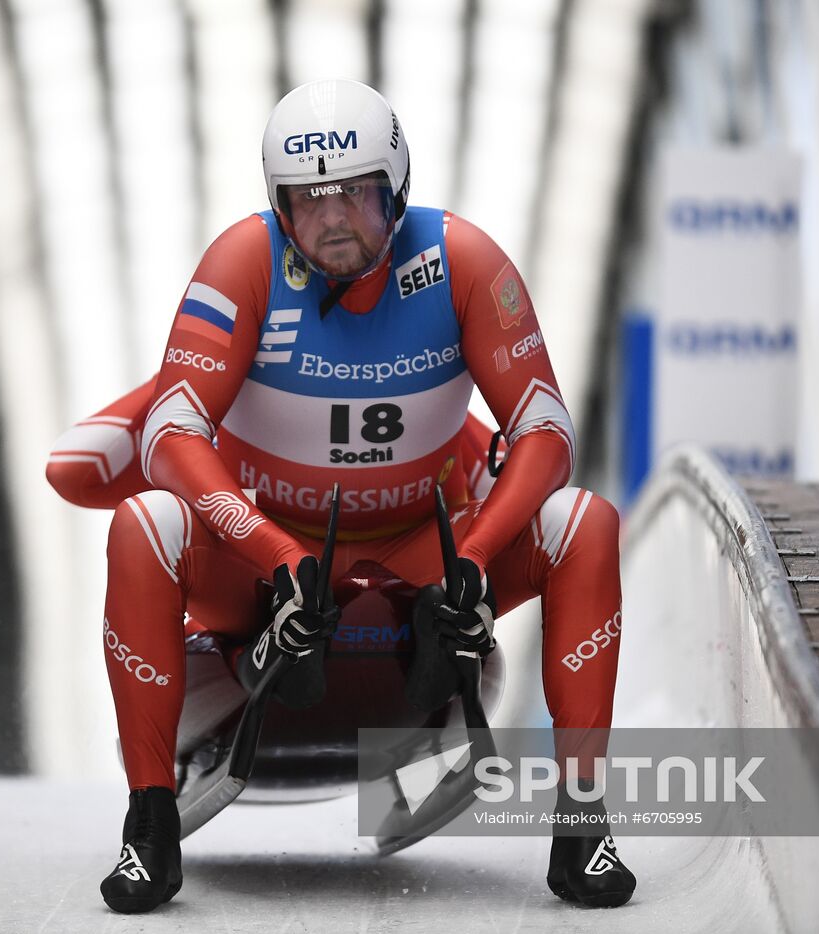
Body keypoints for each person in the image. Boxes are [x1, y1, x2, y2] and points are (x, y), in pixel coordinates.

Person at [47, 78, 634, 914]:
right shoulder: (242, 263)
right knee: (146, 525)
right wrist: (276, 554)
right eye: (307, 201)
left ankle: (585, 825)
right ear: (277, 207)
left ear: (395, 188)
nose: (332, 221)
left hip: (425, 556)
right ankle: (148, 822)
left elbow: (547, 431)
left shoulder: (463, 262)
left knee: (586, 523)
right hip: (269, 562)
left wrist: (470, 561)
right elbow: (168, 438)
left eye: (354, 195)